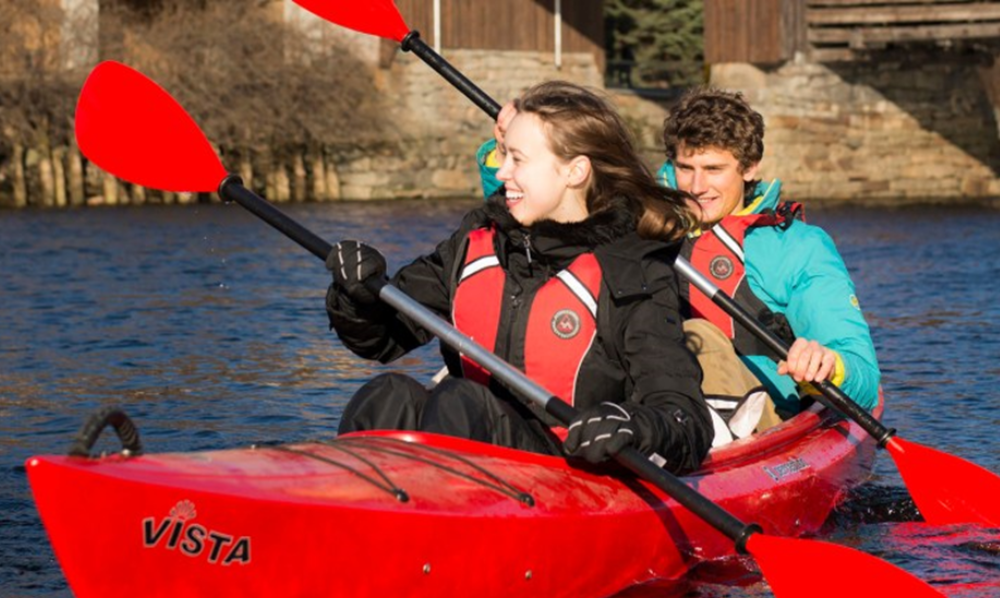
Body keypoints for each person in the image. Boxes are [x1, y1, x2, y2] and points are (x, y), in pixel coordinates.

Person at [327, 81, 713, 474]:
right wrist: (357, 294)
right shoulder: (478, 240)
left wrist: (632, 424)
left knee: (461, 401)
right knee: (389, 395)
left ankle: (425, 518)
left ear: (575, 171)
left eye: (517, 159)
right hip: (471, 445)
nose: (503, 171)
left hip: (566, 472)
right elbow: (381, 339)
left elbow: (685, 420)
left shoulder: (631, 268)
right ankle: (337, 508)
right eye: (504, 155)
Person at [657, 87, 881, 426]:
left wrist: (830, 364)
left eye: (714, 169)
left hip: (764, 418)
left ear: (749, 168)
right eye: (685, 168)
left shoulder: (798, 248)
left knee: (700, 336)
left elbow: (864, 380)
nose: (696, 186)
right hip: (656, 405)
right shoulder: (642, 230)